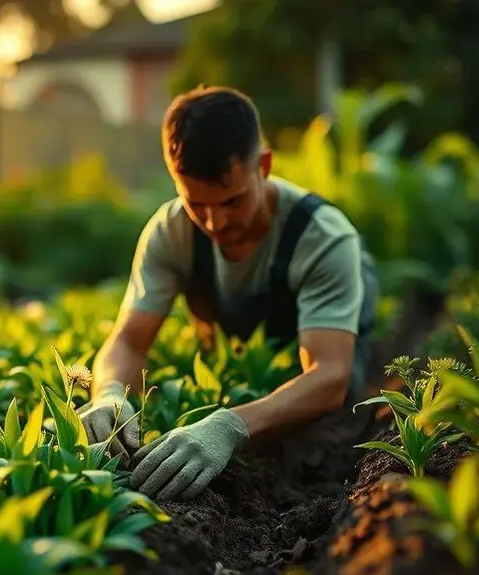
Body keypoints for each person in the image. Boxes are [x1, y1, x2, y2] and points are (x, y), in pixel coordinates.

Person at [78, 86, 379, 502]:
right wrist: (109, 391)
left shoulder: (322, 238)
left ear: (265, 165)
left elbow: (329, 377)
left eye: (232, 201)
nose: (215, 222)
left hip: (328, 328)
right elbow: (129, 340)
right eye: (196, 204)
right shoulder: (170, 232)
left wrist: (229, 426)